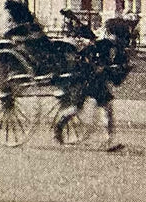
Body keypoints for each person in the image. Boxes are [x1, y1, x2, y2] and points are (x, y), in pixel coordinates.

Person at [54, 20, 133, 151]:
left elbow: (88, 55)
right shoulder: (111, 47)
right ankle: (108, 140)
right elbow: (114, 73)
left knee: (81, 108)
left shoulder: (104, 44)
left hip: (91, 80)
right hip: (94, 80)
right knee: (104, 110)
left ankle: (60, 125)